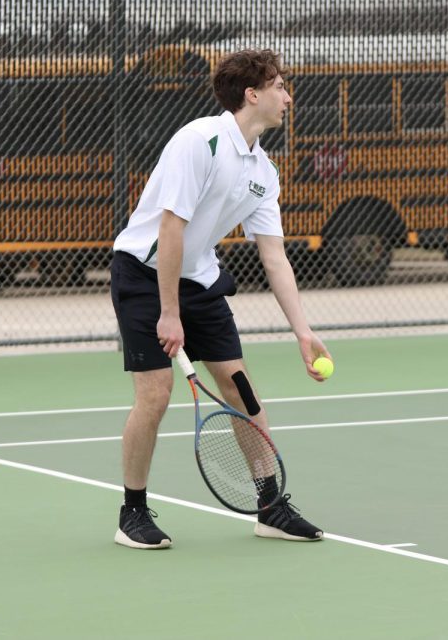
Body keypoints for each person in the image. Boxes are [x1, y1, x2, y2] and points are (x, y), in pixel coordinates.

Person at [110, 48, 331, 549]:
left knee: (241, 390)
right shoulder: (199, 141)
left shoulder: (263, 169)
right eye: (280, 86)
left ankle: (270, 506)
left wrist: (303, 332)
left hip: (201, 280)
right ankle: (132, 513)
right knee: (156, 394)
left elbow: (274, 257)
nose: (287, 97)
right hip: (144, 275)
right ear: (252, 94)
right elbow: (171, 228)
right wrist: (168, 312)